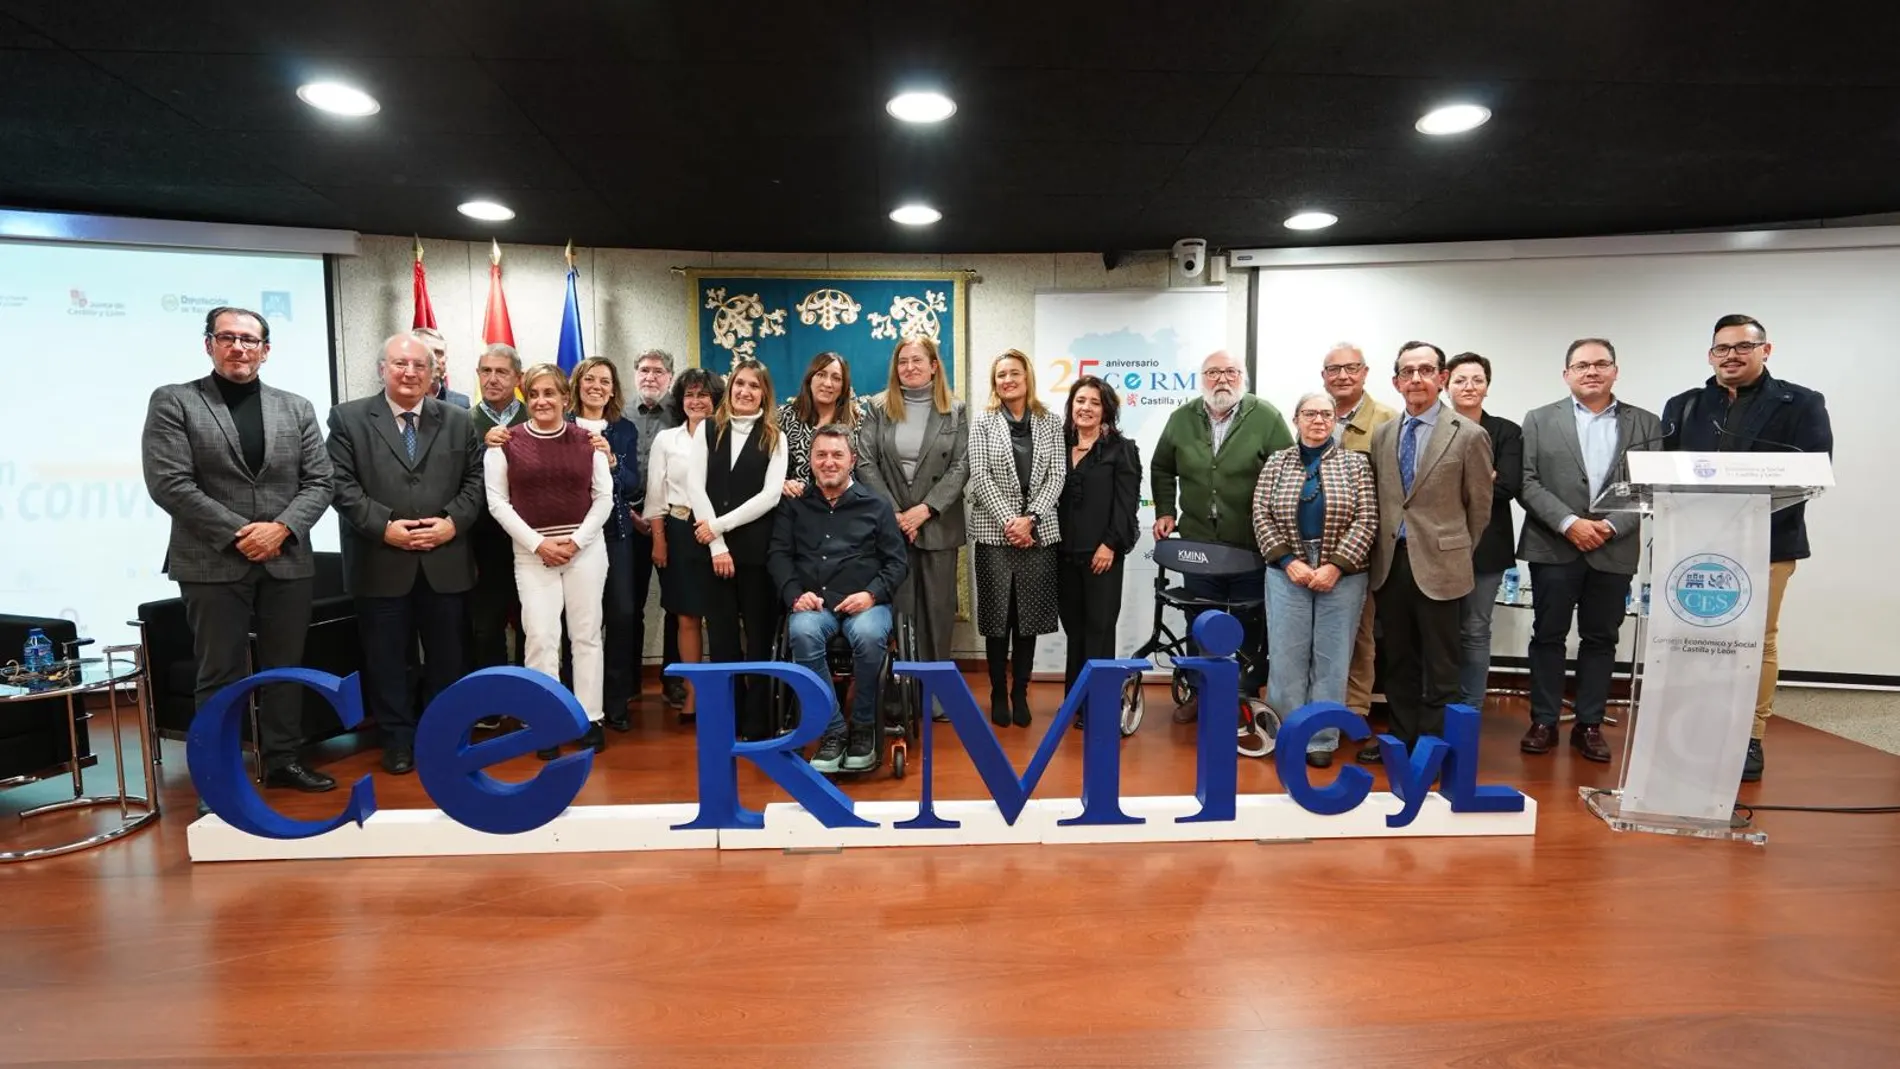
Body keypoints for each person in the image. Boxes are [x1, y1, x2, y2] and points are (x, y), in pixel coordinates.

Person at [141, 306, 337, 794]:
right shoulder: (175, 402)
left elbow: (320, 481)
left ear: (265, 351)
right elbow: (169, 482)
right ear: (209, 344)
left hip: (286, 557)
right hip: (211, 560)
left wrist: (280, 530)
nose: (239, 347)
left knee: (285, 669)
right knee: (219, 673)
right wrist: (242, 532)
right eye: (227, 337)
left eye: (250, 340)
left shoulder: (296, 407)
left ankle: (282, 762)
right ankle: (219, 775)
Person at [1660, 315, 1831, 782]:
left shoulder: (1800, 402)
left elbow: (1814, 470)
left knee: (1758, 639)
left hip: (1768, 541)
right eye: (1721, 348)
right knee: (1696, 637)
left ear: (1765, 350)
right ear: (1710, 354)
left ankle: (1750, 736)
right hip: (1695, 544)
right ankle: (1693, 725)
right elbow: (1666, 472)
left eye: (1742, 347)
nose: (1731, 356)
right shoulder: (1686, 405)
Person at [326, 334, 484, 774]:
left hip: (445, 561)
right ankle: (397, 741)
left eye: (420, 366)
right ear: (382, 368)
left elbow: (476, 482)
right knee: (387, 661)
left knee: (448, 659)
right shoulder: (348, 418)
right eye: (400, 364)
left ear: (433, 373)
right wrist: (385, 528)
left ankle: (444, 736)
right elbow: (339, 485)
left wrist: (452, 521)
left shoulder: (458, 420)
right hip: (380, 561)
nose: (410, 373)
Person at [1517, 338, 1661, 763]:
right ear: (1567, 374)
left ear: (1615, 371)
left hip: (1613, 548)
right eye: (1581, 365)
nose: (1591, 371)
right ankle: (1543, 720)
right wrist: (1570, 523)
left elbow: (1648, 487)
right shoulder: (1539, 419)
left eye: (1601, 364)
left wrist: (1611, 526)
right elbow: (1526, 481)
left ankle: (1590, 724)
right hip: (1554, 545)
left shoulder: (1646, 424)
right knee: (1548, 636)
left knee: (1601, 639)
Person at [1363, 341, 1493, 762]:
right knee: (1398, 659)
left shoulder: (1469, 435)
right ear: (1396, 381)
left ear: (1441, 377)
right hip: (1390, 565)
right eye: (1407, 371)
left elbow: (1479, 509)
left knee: (1442, 664)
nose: (1415, 378)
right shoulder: (1384, 435)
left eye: (1425, 370)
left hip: (1442, 565)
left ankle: (1432, 747)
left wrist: (1452, 550)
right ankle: (1400, 738)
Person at [1150, 348, 1294, 720]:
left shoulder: (1266, 417)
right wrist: (1166, 510)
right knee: (1201, 620)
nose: (1222, 379)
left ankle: (1243, 696)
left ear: (1241, 376)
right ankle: (1200, 693)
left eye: (1230, 372)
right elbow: (1162, 466)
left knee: (1248, 621)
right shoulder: (1181, 418)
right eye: (1213, 373)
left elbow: (1288, 472)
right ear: (1202, 379)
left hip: (1251, 545)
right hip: (1198, 545)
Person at [484, 363, 615, 758]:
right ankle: (544, 719)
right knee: (540, 637)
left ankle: (590, 717)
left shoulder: (588, 440)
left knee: (586, 635)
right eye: (535, 394)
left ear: (564, 398)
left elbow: (603, 497)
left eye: (550, 394)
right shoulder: (504, 443)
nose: (542, 401)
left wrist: (575, 542)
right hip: (531, 553)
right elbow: (497, 503)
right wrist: (539, 543)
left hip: (585, 550)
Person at [769, 425, 909, 773]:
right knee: (801, 633)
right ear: (811, 461)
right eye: (821, 455)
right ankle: (833, 731)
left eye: (837, 455)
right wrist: (794, 594)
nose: (829, 462)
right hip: (814, 603)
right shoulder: (794, 506)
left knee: (868, 635)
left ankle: (863, 726)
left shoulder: (876, 505)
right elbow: (778, 555)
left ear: (852, 461)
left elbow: (897, 563)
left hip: (866, 603)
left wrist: (871, 594)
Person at [1251, 393, 1377, 767]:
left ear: (1335, 419)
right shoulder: (1277, 462)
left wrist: (1335, 565)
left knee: (1331, 659)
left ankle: (1321, 737)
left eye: (1326, 414)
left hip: (1343, 576)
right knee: (1287, 658)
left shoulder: (1356, 463)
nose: (1318, 420)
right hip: (1286, 572)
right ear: (1296, 419)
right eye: (1310, 413)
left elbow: (1367, 518)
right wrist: (1289, 561)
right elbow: (1260, 513)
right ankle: (1284, 731)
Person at [855, 336, 969, 719]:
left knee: (938, 612)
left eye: (917, 360)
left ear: (934, 365)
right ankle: (902, 693)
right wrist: (897, 515)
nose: (910, 368)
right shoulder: (876, 408)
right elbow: (865, 463)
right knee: (899, 614)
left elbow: (961, 466)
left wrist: (926, 510)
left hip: (936, 527)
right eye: (903, 362)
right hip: (891, 528)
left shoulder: (956, 411)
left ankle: (938, 694)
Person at [688, 359, 789, 740]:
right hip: (712, 553)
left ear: (765, 392)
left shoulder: (773, 436)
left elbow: (770, 495)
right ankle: (727, 720)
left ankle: (758, 722)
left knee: (759, 640)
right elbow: (695, 487)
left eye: (754, 386)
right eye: (739, 384)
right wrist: (716, 543)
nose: (745, 391)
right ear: (730, 388)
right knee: (723, 639)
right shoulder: (708, 428)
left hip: (756, 553)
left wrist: (720, 526)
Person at [967, 349, 1065, 728]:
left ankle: (1020, 691)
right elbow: (980, 474)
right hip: (995, 534)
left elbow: (1057, 474)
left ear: (1027, 378)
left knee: (1029, 620)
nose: (1007, 380)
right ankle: (996, 690)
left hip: (1038, 535)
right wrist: (1011, 521)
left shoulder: (1050, 422)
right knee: (998, 619)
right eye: (1000, 375)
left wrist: (1031, 519)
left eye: (1014, 374)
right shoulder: (983, 422)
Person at [1321, 342, 1400, 726]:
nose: (1342, 376)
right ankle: (1319, 707)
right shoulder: (1314, 415)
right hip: (1314, 548)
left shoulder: (1388, 420)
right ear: (1323, 377)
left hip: (1364, 547)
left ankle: (1354, 710)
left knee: (1359, 632)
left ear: (1365, 372)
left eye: (1351, 368)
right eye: (1334, 370)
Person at [1056, 376, 1141, 720]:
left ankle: (1100, 706)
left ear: (1106, 409)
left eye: (1094, 402)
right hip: (1063, 555)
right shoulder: (1057, 444)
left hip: (1102, 555)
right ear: (1071, 406)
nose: (1086, 408)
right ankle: (1075, 702)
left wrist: (1109, 544)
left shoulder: (1121, 449)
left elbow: (1126, 506)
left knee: (1099, 629)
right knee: (1074, 630)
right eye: (1080, 401)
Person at [644, 368, 723, 724]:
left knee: (720, 616)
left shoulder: (727, 437)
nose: (696, 401)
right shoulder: (667, 440)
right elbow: (655, 496)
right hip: (678, 530)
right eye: (690, 395)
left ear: (716, 400)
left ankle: (722, 694)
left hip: (719, 531)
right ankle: (692, 694)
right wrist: (659, 540)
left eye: (704, 395)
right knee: (687, 616)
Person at [1445, 352, 1523, 710]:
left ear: (1487, 387)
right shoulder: (1433, 428)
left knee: (1475, 630)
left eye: (1477, 379)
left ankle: (1470, 708)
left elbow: (1506, 486)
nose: (1469, 386)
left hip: (1486, 547)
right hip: (1437, 546)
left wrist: (1458, 477)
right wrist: (1482, 475)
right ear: (1446, 385)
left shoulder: (1506, 432)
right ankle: (1439, 705)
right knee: (1438, 633)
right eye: (1460, 379)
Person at [569, 356, 642, 731]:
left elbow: (633, 486)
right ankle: (573, 704)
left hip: (616, 535)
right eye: (590, 379)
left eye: (604, 381)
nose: (596, 386)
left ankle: (615, 704)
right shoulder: (561, 425)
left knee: (622, 615)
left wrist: (613, 461)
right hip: (572, 538)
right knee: (579, 622)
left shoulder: (624, 429)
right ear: (578, 384)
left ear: (613, 389)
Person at [467, 344, 528, 723]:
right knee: (485, 625)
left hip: (529, 540)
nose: (492, 378)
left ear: (518, 379)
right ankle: (492, 702)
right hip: (482, 541)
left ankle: (525, 699)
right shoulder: (460, 421)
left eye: (501, 372)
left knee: (530, 622)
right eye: (485, 371)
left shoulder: (534, 415)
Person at [626, 349, 686, 710]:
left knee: (676, 605)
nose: (650, 377)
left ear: (670, 376)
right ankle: (628, 679)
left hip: (672, 522)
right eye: (644, 370)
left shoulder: (681, 415)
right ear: (635, 374)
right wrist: (632, 513)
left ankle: (673, 680)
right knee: (627, 606)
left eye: (658, 371)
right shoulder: (619, 412)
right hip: (627, 522)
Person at [778, 351, 860, 497]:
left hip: (843, 507)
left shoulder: (858, 422)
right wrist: (782, 483)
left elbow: (864, 473)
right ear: (810, 379)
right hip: (795, 503)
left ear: (843, 386)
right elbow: (767, 466)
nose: (827, 383)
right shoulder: (784, 417)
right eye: (821, 375)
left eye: (836, 378)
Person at [413, 328, 469, 409]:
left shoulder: (460, 404)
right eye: (426, 351)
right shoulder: (396, 401)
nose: (434, 359)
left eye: (439, 353)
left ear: (445, 359)